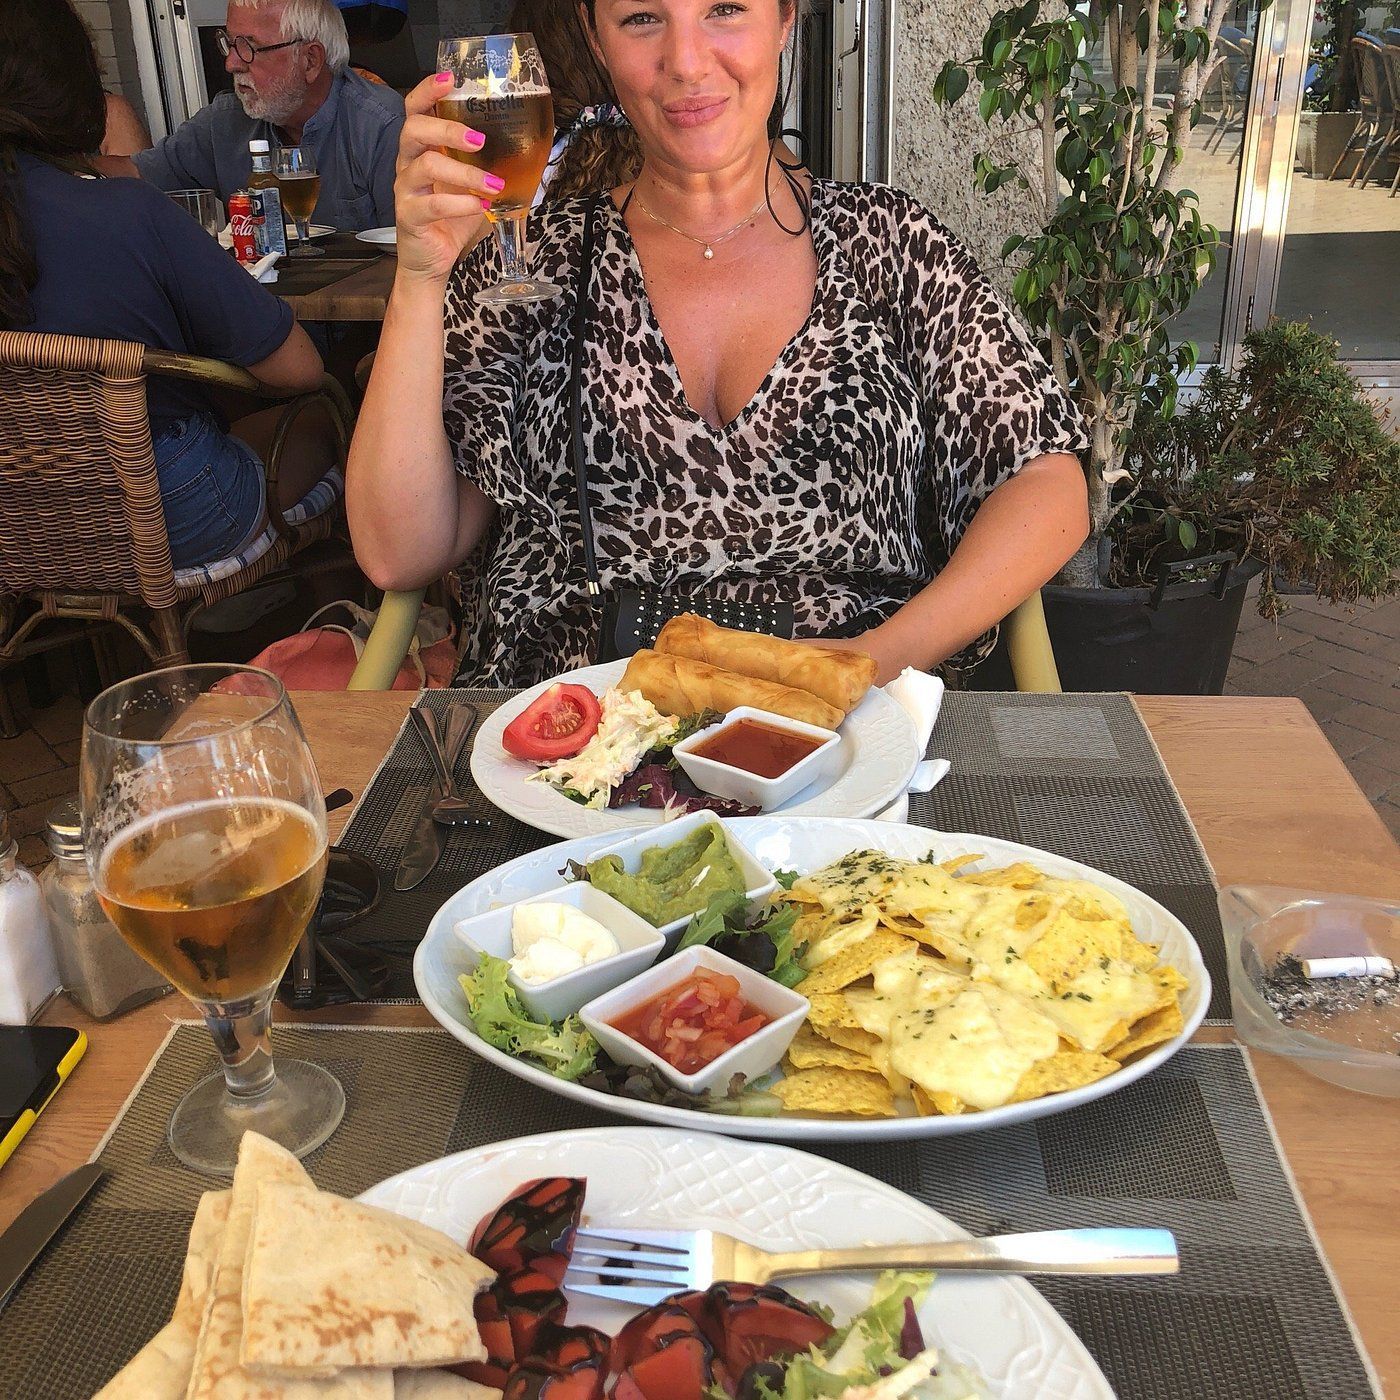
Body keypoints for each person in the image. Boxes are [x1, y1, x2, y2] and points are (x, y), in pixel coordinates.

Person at [348, 0, 1090, 688]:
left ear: (785, 20)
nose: (687, 61)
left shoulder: (893, 246)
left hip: (849, 732)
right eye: (642, 18)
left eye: (725, 9)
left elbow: (1047, 484)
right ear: (596, 39)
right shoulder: (532, 265)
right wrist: (421, 278)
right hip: (574, 735)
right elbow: (399, 552)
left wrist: (876, 659)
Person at [1, 0, 339, 570]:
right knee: (332, 411)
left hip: (20, 522)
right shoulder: (127, 212)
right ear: (74, 87)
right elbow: (299, 369)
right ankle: (349, 599)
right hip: (164, 513)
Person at [105, 0, 402, 230]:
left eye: (249, 47)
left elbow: (413, 255)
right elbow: (138, 175)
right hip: (258, 293)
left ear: (310, 60)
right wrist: (76, 167)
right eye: (230, 43)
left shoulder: (381, 126)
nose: (231, 64)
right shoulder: (226, 121)